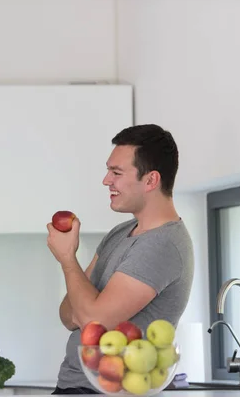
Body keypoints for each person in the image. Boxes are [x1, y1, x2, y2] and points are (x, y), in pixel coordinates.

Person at [46, 124, 194, 394]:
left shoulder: (163, 245)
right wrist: (87, 308)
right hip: (74, 386)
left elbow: (92, 322)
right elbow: (68, 316)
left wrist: (68, 259)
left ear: (150, 181)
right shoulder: (119, 233)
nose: (106, 180)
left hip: (108, 391)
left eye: (116, 172)